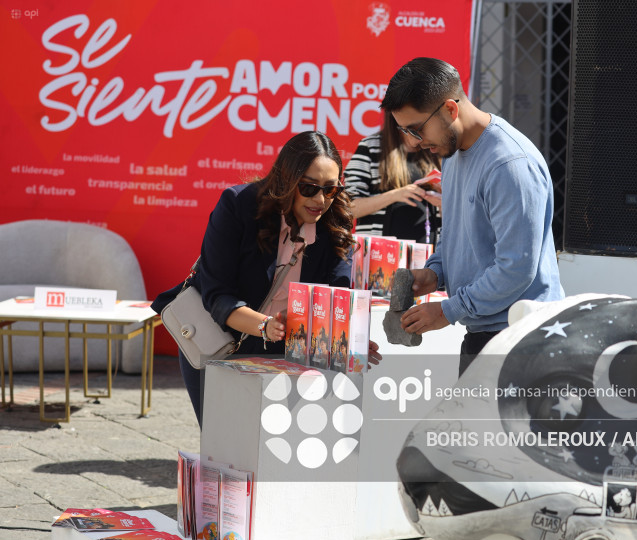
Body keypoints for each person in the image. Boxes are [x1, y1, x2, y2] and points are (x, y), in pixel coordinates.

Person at [152, 131, 380, 427]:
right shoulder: (238, 206)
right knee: (225, 444)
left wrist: (347, 336)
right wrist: (264, 325)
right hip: (218, 339)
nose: (320, 199)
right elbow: (216, 294)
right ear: (286, 180)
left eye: (330, 189)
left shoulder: (336, 220)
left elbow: (336, 293)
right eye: (309, 188)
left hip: (286, 346)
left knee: (277, 448)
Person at [383, 57, 564, 374]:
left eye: (416, 128)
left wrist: (448, 311)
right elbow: (459, 237)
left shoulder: (509, 165)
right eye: (404, 130)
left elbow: (516, 268)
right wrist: (435, 273)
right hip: (486, 336)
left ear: (450, 110)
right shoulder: (452, 152)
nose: (414, 141)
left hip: (523, 343)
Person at [344, 108, 442, 244]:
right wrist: (396, 195)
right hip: (379, 253)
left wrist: (442, 203)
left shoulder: (435, 148)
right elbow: (348, 208)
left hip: (428, 252)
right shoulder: (370, 147)